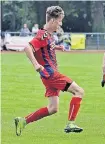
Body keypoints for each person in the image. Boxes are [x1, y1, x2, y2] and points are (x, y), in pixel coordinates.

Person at [14, 6, 84, 136]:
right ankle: (71, 123)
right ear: (52, 21)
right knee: (79, 91)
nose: (61, 24)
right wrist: (36, 64)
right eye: (59, 21)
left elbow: (45, 48)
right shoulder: (43, 34)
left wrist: (57, 47)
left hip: (47, 76)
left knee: (53, 109)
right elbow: (27, 48)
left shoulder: (49, 35)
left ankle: (23, 121)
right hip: (51, 74)